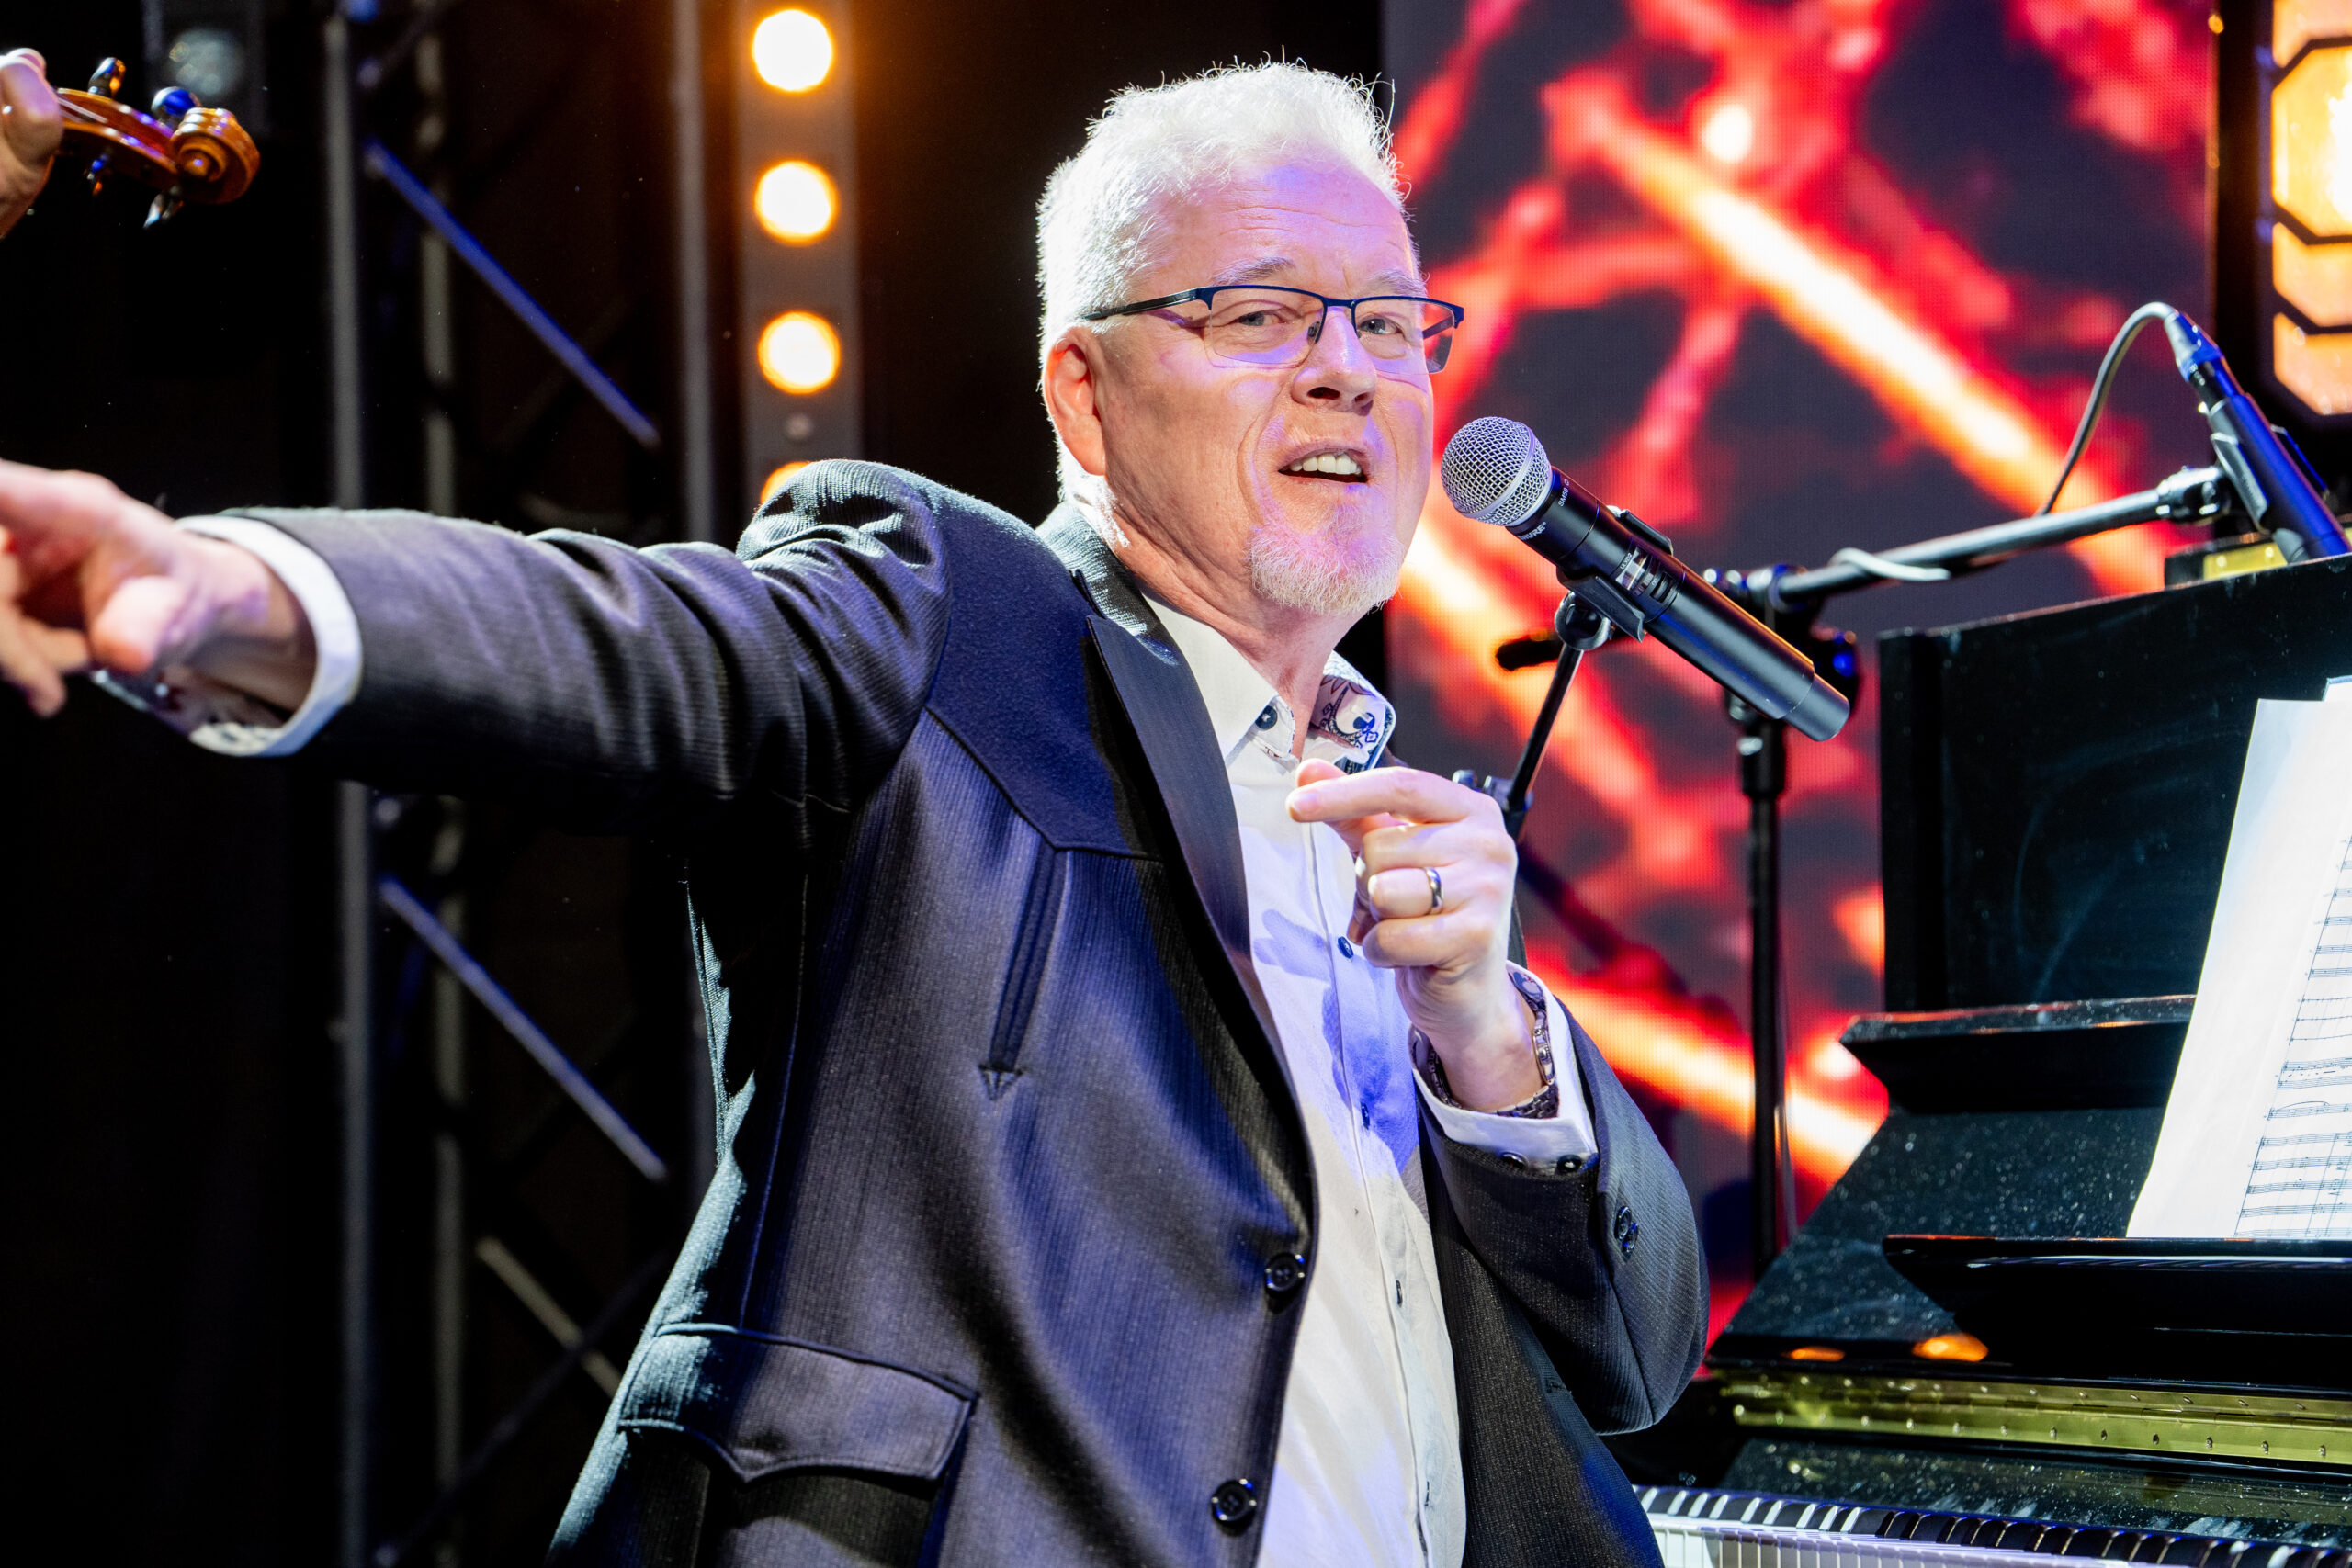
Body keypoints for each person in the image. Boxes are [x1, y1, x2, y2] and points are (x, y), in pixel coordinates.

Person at [0, 58, 1704, 1568]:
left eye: (1391, 324)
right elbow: (630, 646)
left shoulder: (1410, 828)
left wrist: (1488, 1039)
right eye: (1263, 315)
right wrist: (225, 594)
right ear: (1083, 394)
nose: (1349, 375)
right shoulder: (953, 623)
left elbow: (1637, 1367)